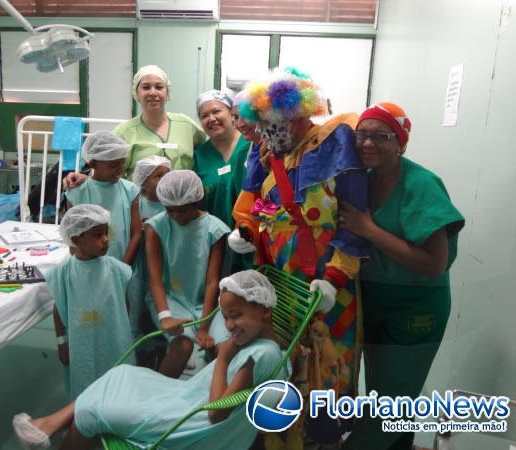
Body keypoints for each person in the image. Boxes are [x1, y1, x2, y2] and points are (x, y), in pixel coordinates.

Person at [228, 67, 369, 447]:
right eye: (263, 123)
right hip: (279, 284)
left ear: (299, 112)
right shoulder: (264, 153)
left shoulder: (336, 142)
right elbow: (255, 210)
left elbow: (355, 220)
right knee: (285, 367)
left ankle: (323, 439)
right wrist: (246, 236)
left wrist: (337, 278)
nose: (269, 132)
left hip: (328, 285)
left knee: (326, 371)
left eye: (276, 122)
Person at [12, 270, 286, 450]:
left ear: (264, 311)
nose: (228, 325)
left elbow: (216, 414)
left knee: (91, 411)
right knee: (121, 375)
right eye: (225, 317)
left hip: (189, 422)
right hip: (188, 400)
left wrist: (224, 359)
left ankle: (49, 426)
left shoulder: (256, 356)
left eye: (236, 315)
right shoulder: (267, 348)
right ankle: (48, 424)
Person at [338, 102, 464, 450]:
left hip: (415, 308)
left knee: (390, 404)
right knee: (383, 393)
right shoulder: (359, 179)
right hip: (373, 301)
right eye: (362, 134)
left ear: (401, 143)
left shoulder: (421, 184)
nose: (368, 143)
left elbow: (434, 263)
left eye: (382, 136)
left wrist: (369, 229)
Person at [62, 65, 205, 189]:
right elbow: (109, 174)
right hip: (139, 208)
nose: (153, 92)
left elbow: (206, 154)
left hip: (182, 207)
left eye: (159, 87)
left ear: (167, 93)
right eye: (146, 87)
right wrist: (87, 180)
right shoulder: (123, 133)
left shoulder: (187, 126)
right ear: (136, 93)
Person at [145, 169, 230, 378]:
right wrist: (165, 316)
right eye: (170, 210)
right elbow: (154, 277)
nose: (175, 216)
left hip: (206, 302)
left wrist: (204, 327)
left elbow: (212, 282)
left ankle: (210, 403)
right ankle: (158, 401)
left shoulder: (214, 229)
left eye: (181, 210)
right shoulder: (156, 227)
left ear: (196, 202)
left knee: (226, 347)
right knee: (183, 344)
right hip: (169, 298)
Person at [46, 204, 134, 400]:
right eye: (97, 235)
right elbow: (58, 309)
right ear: (76, 239)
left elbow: (124, 304)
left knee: (117, 385)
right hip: (80, 344)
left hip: (114, 340)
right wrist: (62, 343)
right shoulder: (63, 273)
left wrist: (123, 331)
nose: (105, 240)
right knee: (85, 387)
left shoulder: (116, 270)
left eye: (105, 233)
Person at [65, 131, 141, 265]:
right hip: (88, 267)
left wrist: (124, 268)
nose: (120, 170)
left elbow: (136, 234)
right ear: (93, 163)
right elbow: (72, 237)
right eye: (113, 165)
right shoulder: (77, 193)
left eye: (122, 163)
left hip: (123, 263)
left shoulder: (131, 191)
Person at [128, 155, 172, 367]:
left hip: (164, 269)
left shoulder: (172, 206)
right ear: (143, 180)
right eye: (158, 176)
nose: (165, 180)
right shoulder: (137, 205)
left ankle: (163, 353)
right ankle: (140, 356)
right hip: (139, 267)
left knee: (160, 311)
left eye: (168, 175)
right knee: (137, 313)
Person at [193, 89, 251, 229]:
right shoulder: (200, 156)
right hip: (215, 237)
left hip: (252, 234)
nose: (211, 119)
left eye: (216, 111)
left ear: (232, 115)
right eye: (204, 116)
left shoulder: (250, 144)